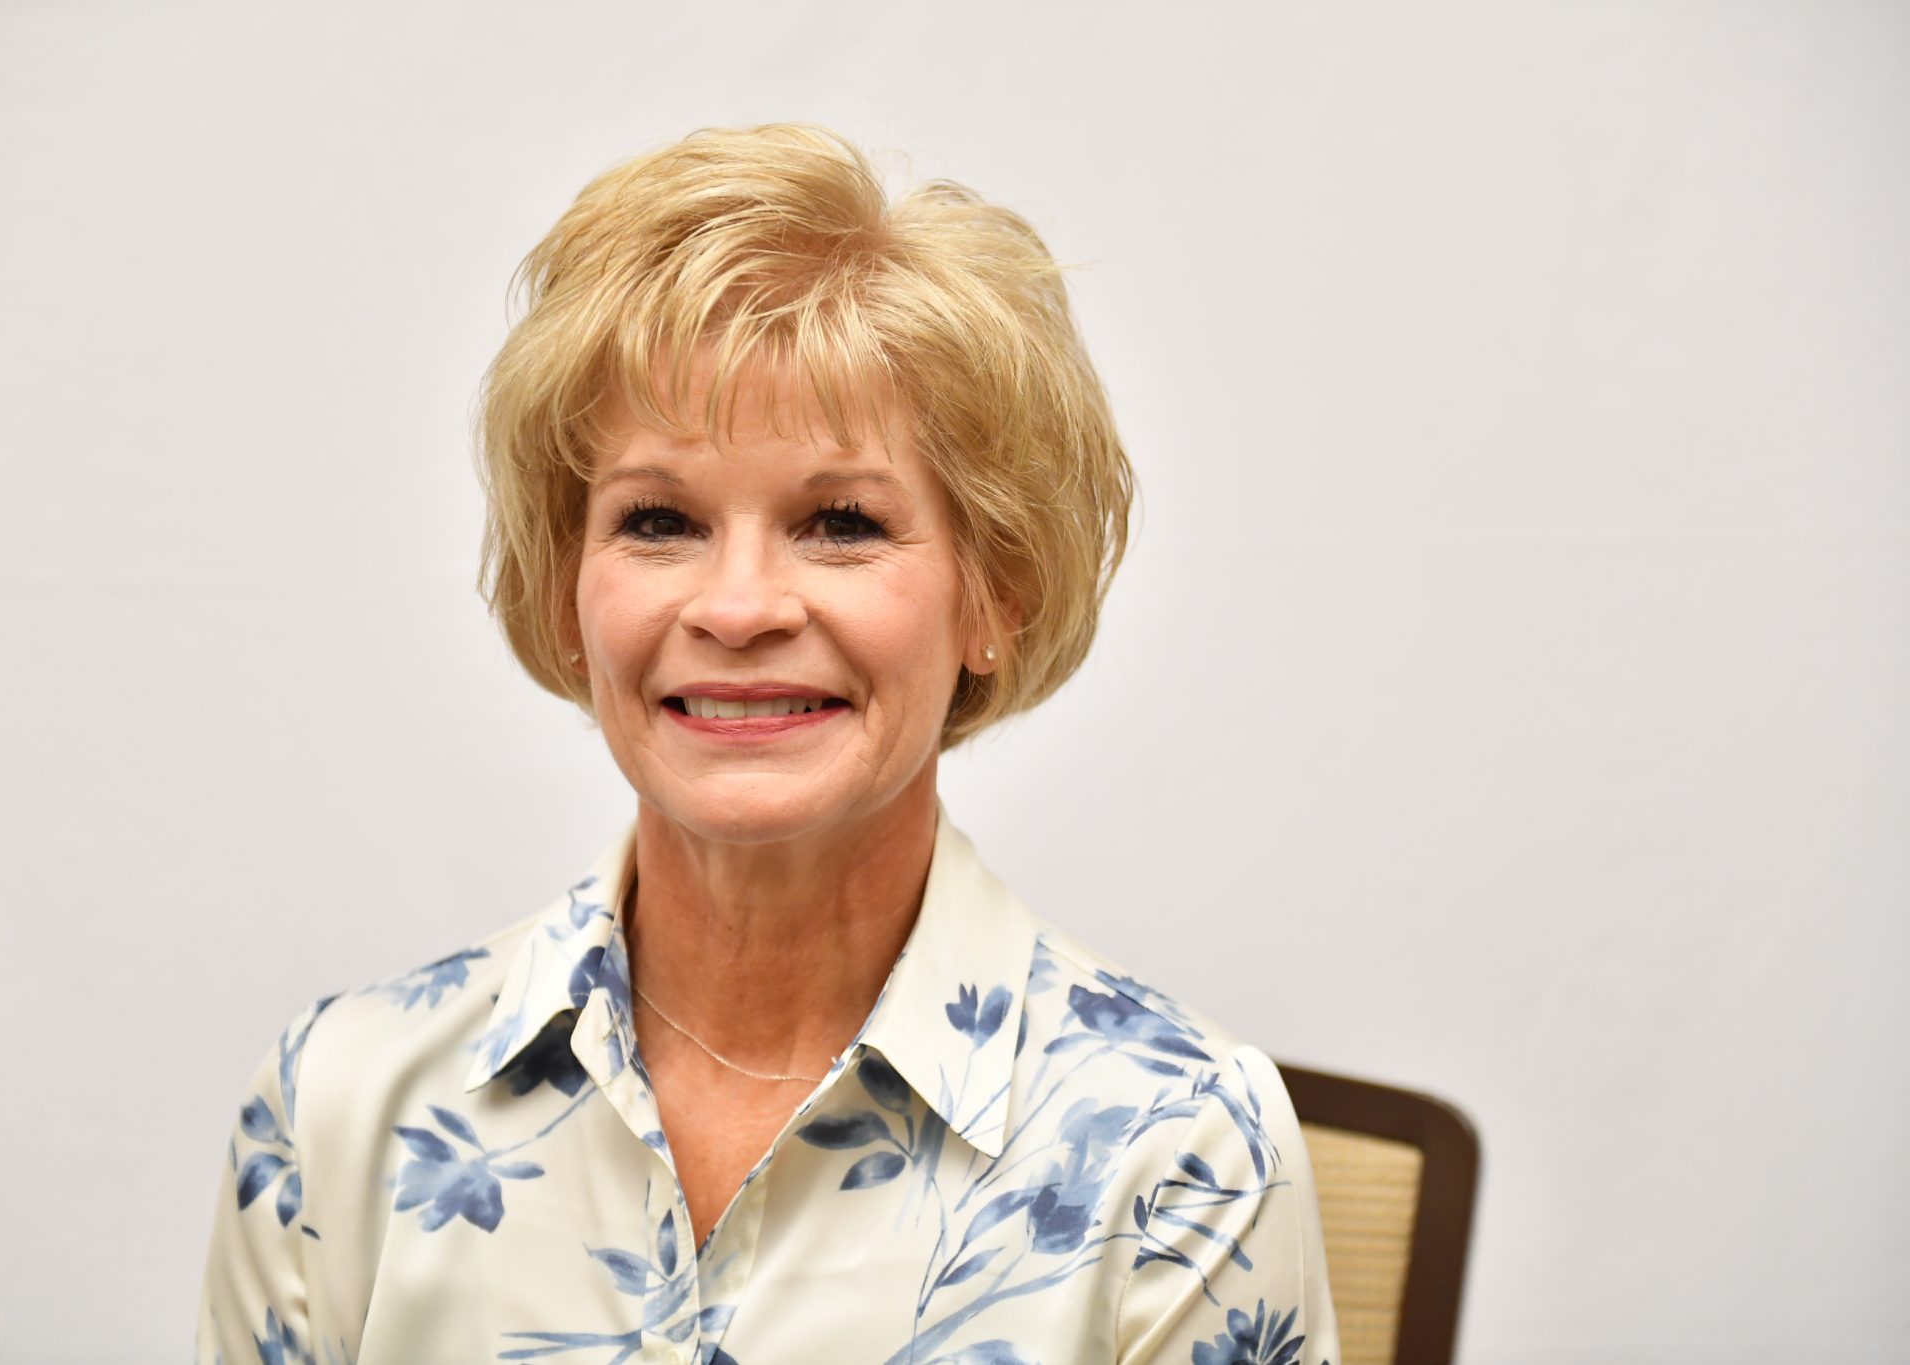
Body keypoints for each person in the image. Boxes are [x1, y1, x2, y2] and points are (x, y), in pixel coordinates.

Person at [195, 123, 1340, 1365]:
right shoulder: (336, 1108)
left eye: (840, 522)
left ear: (995, 593)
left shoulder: (1181, 1148)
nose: (737, 608)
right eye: (658, 521)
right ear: (564, 591)